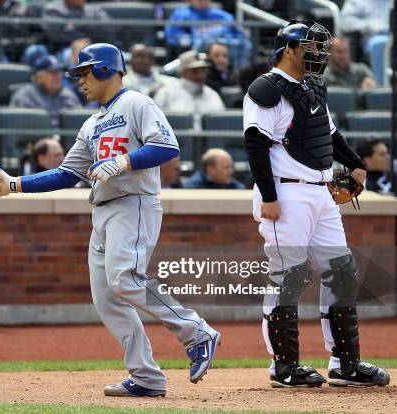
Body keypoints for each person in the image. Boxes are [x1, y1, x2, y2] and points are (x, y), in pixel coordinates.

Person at [0, 43, 221, 397]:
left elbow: (168, 147)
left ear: (108, 70)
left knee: (125, 279)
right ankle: (145, 376)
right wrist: (15, 185)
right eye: (79, 74)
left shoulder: (137, 103)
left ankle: (196, 331)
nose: (80, 81)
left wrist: (124, 162)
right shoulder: (92, 123)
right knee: (107, 298)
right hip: (104, 210)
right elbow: (66, 174)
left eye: (85, 72)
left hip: (133, 203)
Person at [243, 20, 390, 388]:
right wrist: (270, 197)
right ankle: (284, 366)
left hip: (322, 192)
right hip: (286, 192)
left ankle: (345, 364)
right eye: (309, 46)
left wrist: (355, 163)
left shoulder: (312, 85)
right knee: (289, 276)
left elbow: (328, 133)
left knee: (342, 271)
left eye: (319, 47)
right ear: (289, 49)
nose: (317, 53)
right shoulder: (266, 88)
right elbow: (256, 144)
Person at [164, 0, 251, 70]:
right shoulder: (181, 14)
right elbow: (172, 37)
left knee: (245, 45)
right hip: (199, 51)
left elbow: (241, 36)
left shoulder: (223, 15)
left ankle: (238, 78)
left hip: (229, 48)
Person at [154, 50, 225, 131]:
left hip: (210, 142)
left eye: (203, 70)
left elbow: (221, 124)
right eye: (195, 71)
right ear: (182, 72)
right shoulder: (166, 93)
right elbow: (154, 123)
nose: (201, 75)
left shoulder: (212, 94)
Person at [10, 55, 82, 127]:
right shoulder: (25, 95)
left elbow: (79, 121)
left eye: (58, 72)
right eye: (53, 72)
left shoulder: (67, 95)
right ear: (39, 77)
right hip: (36, 137)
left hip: (64, 137)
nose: (58, 76)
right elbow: (17, 127)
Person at [341, 0, 392, 85]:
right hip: (372, 37)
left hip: (392, 35)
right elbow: (344, 22)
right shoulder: (358, 2)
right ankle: (381, 88)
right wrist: (368, 25)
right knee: (381, 43)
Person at [41, 0, 114, 50]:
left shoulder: (95, 9)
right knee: (80, 47)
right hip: (64, 49)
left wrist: (74, 26)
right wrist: (83, 38)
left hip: (96, 46)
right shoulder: (53, 10)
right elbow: (55, 35)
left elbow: (108, 29)